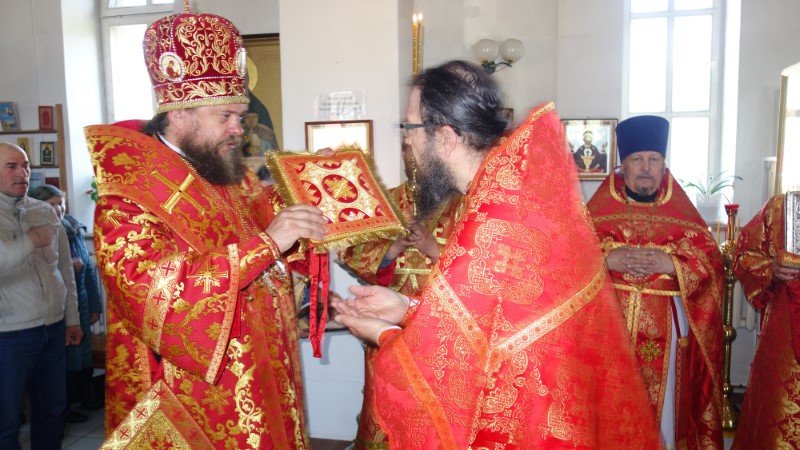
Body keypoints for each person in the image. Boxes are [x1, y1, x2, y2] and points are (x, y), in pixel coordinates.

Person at [332, 60, 660, 448]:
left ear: (445, 137)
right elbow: (488, 321)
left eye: (411, 127)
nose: (407, 141)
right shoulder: (507, 191)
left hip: (528, 420)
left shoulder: (495, 214)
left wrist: (383, 333)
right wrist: (405, 306)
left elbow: (450, 365)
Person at [85, 10, 327, 449]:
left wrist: (312, 187)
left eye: (240, 116)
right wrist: (267, 244)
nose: (239, 129)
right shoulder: (129, 195)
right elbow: (151, 292)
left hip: (264, 369)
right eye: (225, 116)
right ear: (179, 114)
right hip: (197, 394)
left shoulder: (228, 174)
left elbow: (275, 229)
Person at [585, 115, 724, 449]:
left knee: (664, 412)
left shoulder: (681, 210)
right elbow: (568, 258)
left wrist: (672, 264)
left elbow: (711, 262)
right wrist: (604, 260)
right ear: (623, 166)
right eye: (637, 159)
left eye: (654, 159)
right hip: (610, 329)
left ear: (663, 164)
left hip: (667, 333)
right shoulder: (599, 208)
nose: (646, 168)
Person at [336, 142, 464, 448]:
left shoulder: (466, 203)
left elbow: (484, 268)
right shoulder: (386, 201)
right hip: (385, 324)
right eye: (407, 150)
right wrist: (392, 249)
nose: (415, 157)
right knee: (387, 403)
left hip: (441, 327)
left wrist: (433, 249)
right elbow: (352, 254)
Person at [0, 142, 83, 449]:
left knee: (51, 411)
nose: (22, 173)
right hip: (8, 335)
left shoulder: (44, 210)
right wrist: (30, 241)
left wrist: (72, 319)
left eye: (25, 166)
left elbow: (64, 268)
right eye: (11, 166)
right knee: (6, 422)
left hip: (52, 327)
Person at [29, 185, 104, 422]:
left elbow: (88, 270)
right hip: (55, 309)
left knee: (82, 356)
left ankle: (83, 397)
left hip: (79, 304)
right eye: (51, 204)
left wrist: (95, 305)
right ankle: (63, 408)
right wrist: (68, 266)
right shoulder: (34, 232)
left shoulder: (73, 228)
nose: (58, 208)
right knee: (63, 360)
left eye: (60, 203)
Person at [731, 194, 800, 449]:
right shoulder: (780, 208)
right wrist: (772, 269)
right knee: (775, 421)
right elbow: (744, 255)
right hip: (784, 341)